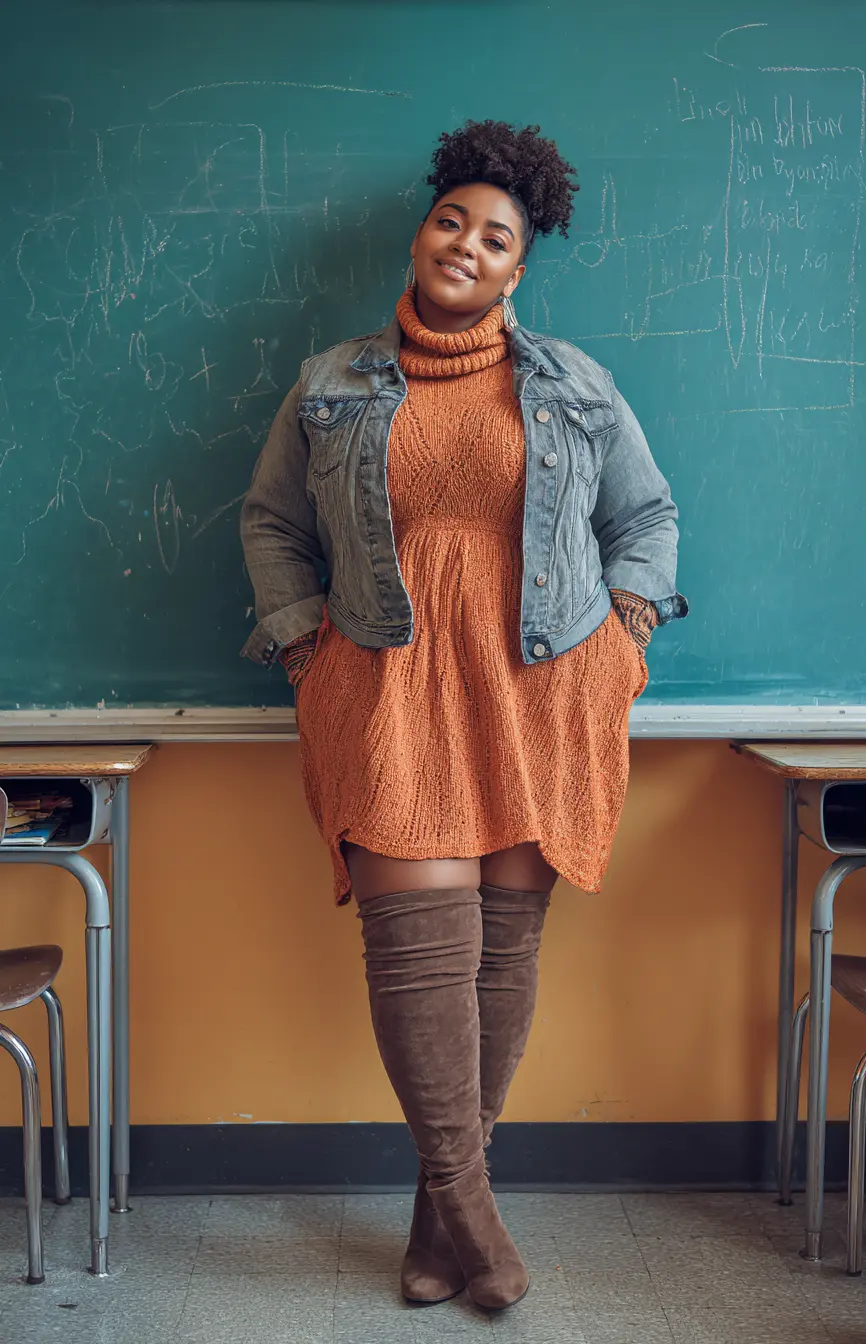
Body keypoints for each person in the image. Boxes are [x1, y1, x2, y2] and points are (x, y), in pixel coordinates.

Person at [240, 119, 686, 1313]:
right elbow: (272, 524)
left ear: (516, 268)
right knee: (417, 954)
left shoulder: (573, 384)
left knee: (499, 959)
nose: (468, 246)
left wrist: (623, 645)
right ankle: (479, 1224)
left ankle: (439, 1231)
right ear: (421, 229)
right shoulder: (330, 381)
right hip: (384, 688)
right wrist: (304, 649)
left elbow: (645, 521)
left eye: (497, 237)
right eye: (454, 222)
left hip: (536, 690)